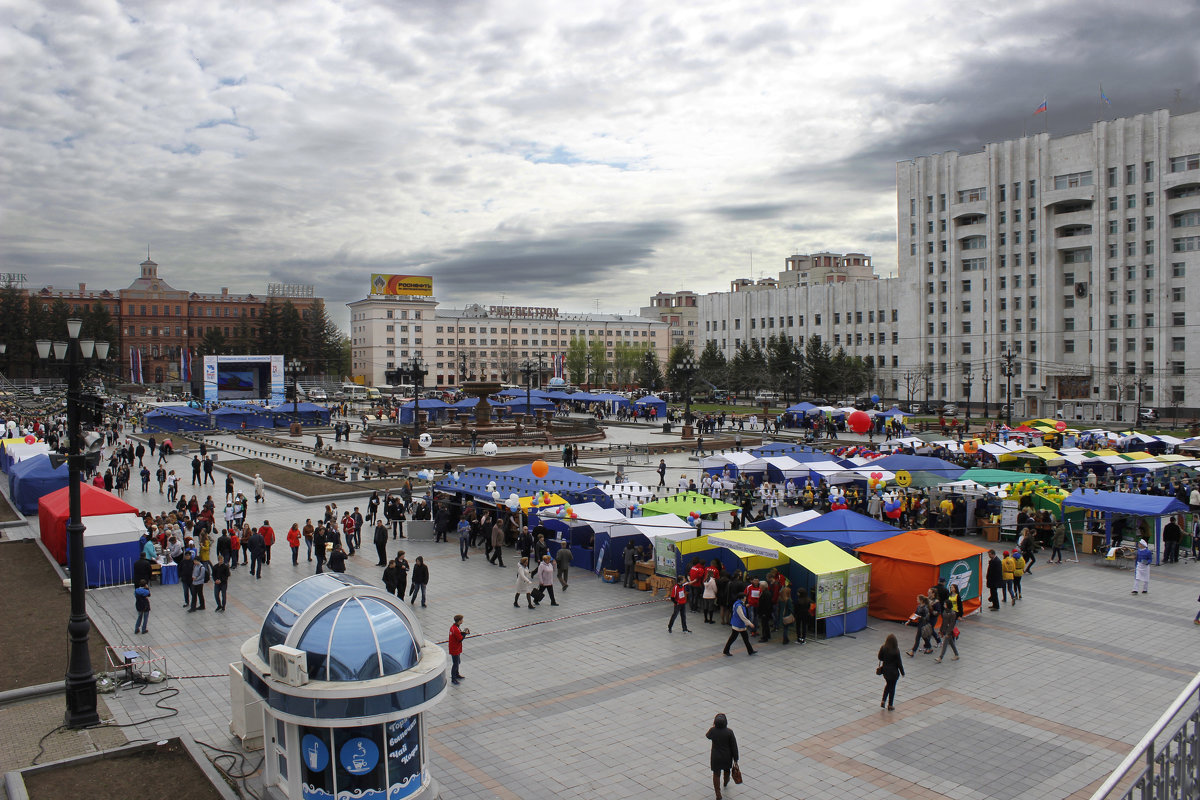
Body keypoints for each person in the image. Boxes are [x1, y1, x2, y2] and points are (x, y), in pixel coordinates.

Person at [705, 713, 739, 800]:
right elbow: (734, 746)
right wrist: (736, 759)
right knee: (727, 770)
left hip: (716, 757)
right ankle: (726, 781)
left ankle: (718, 793)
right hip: (727, 756)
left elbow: (707, 736)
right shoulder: (729, 732)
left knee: (716, 774)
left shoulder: (713, 730)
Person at [877, 633, 905, 710]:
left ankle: (883, 700)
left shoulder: (883, 648)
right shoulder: (896, 650)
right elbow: (899, 663)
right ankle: (890, 705)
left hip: (885, 671)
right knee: (892, 688)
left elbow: (880, 657)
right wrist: (902, 672)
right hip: (894, 673)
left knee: (888, 685)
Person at [448, 614, 469, 685]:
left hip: (456, 648)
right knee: (455, 663)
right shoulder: (455, 629)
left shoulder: (454, 627)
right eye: (462, 619)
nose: (463, 620)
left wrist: (462, 633)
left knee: (457, 662)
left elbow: (458, 634)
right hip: (455, 649)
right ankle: (453, 678)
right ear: (459, 621)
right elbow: (460, 639)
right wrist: (465, 634)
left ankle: (456, 674)